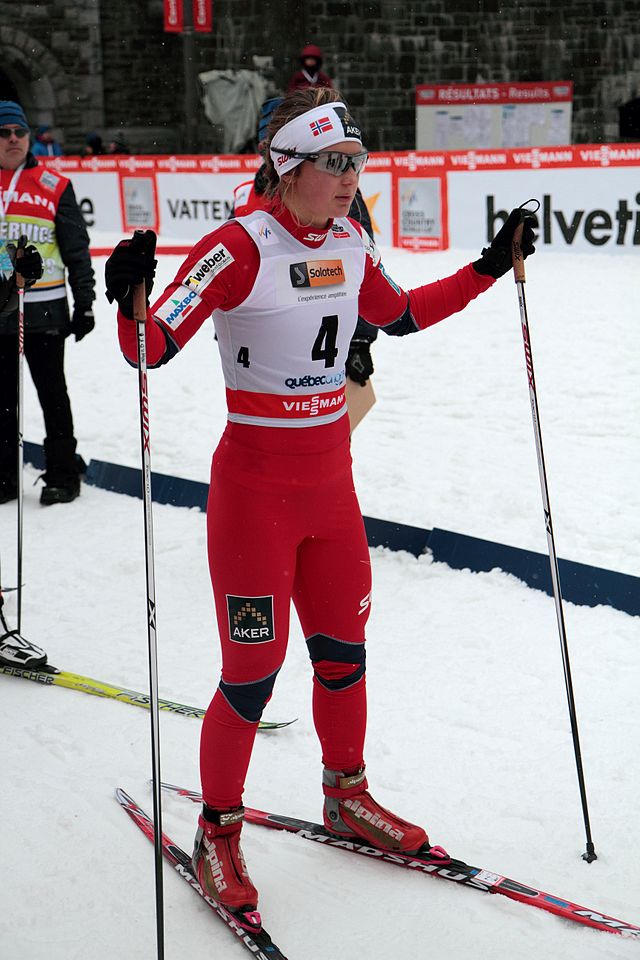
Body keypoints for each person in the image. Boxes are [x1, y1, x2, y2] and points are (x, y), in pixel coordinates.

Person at [105, 87, 534, 927]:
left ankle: (348, 795)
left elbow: (400, 314)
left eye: (358, 163)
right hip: (254, 497)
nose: (351, 179)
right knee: (252, 675)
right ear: (289, 167)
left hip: (331, 494)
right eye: (336, 165)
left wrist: (486, 267)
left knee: (344, 654)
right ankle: (217, 831)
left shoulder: (347, 240)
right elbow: (151, 347)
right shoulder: (237, 246)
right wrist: (125, 298)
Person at [233, 96, 379, 394]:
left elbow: (361, 269)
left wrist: (359, 341)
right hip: (258, 349)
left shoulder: (329, 192)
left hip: (319, 345)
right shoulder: (244, 195)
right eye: (264, 148)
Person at [0, 101, 96, 505]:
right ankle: (4, 477)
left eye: (19, 132)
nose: (13, 140)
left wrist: (85, 302)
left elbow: (76, 248)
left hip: (46, 307)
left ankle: (62, 472)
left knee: (52, 394)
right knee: (3, 401)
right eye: (4, 133)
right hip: (1, 308)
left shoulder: (55, 184)